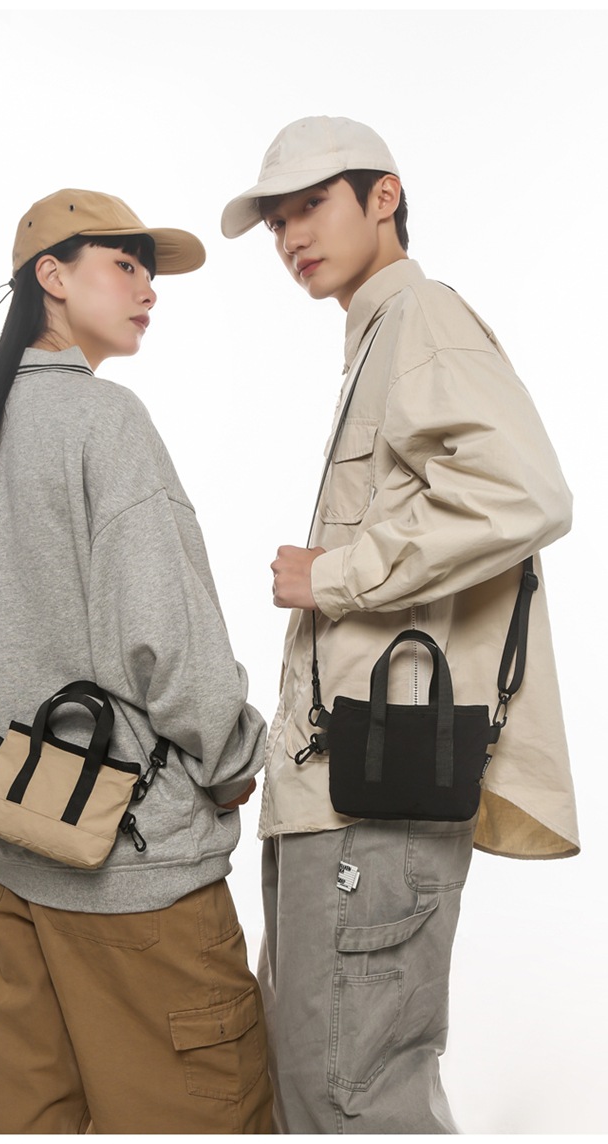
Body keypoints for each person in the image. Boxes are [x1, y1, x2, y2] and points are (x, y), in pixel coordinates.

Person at [221, 117, 580, 1134]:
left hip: (374, 796)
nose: (292, 236)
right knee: (319, 1093)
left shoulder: (422, 319)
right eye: (277, 221)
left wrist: (337, 573)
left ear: (384, 197)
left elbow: (526, 491)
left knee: (352, 1100)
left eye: (311, 205)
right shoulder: (380, 338)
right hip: (344, 788)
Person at [0, 188, 273, 1134]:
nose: (149, 288)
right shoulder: (105, 422)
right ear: (52, 278)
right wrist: (232, 759)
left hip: (10, 862)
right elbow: (167, 632)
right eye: (126, 264)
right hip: (134, 879)